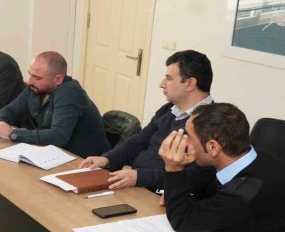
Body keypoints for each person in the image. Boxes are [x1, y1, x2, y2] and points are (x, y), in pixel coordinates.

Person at [158, 102, 285, 232]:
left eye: (188, 135)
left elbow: (182, 220)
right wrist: (178, 190)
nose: (184, 141)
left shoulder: (244, 194)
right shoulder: (252, 156)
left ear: (212, 147)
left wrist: (174, 169)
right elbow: (204, 183)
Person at [81, 50, 214, 191]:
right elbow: (139, 141)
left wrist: (140, 177)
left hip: (160, 194)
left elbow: (194, 178)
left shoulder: (210, 123)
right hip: (137, 184)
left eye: (169, 79)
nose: (162, 84)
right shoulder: (169, 109)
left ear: (190, 83)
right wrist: (108, 159)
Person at [0, 51, 109, 159]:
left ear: (58, 79)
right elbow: (12, 109)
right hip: (55, 154)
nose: (29, 81)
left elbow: (58, 136)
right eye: (30, 74)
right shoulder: (35, 88)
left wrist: (13, 133)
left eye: (37, 78)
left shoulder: (70, 93)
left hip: (83, 161)